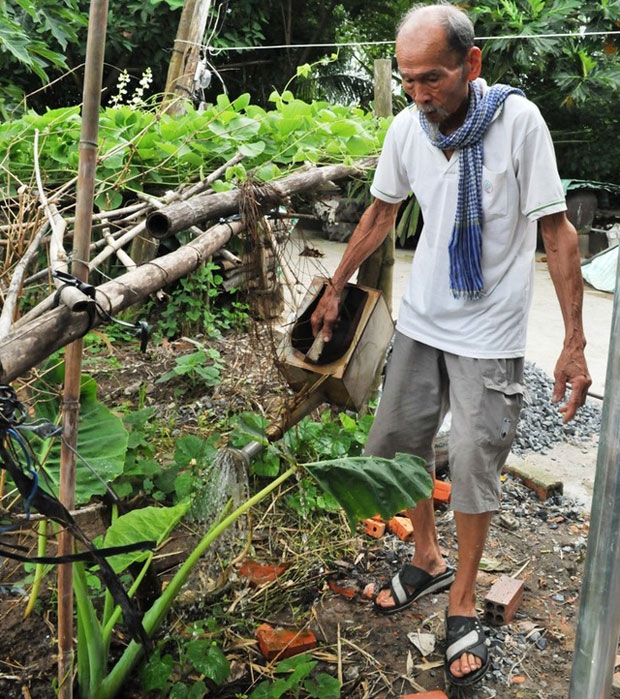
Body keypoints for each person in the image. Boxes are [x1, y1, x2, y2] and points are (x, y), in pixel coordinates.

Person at [310, 2, 592, 688]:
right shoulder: (410, 127)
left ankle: (462, 599)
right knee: (399, 447)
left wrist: (575, 343)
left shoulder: (517, 124)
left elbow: (557, 233)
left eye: (431, 78)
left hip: (490, 334)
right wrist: (336, 284)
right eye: (407, 80)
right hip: (422, 320)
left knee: (472, 463)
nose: (417, 94)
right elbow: (381, 210)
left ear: (472, 64)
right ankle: (427, 556)